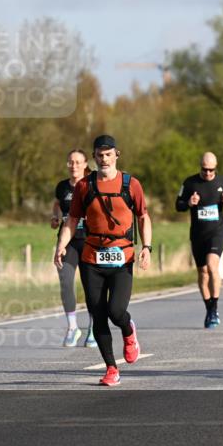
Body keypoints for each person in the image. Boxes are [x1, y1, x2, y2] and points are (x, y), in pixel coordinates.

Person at [55, 135, 151, 387]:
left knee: (116, 311)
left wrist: (146, 247)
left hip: (122, 258)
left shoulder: (131, 184)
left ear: (116, 155)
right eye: (99, 155)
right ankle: (111, 368)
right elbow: (72, 219)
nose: (104, 159)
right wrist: (61, 245)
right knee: (98, 315)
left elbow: (143, 216)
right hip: (92, 259)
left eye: (108, 154)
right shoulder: (84, 186)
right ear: (94, 158)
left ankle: (128, 330)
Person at [175, 152, 223, 328]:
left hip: (217, 232)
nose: (208, 173)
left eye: (211, 170)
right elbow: (178, 204)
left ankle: (214, 307)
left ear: (215, 168)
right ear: (200, 167)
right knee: (202, 272)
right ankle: (209, 309)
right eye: (204, 169)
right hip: (198, 234)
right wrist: (189, 203)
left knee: (211, 266)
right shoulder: (190, 183)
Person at [52, 150, 96, 347]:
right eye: (71, 162)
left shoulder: (91, 184)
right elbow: (57, 204)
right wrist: (55, 217)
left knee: (91, 286)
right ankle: (72, 328)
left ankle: (94, 328)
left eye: (78, 162)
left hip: (89, 240)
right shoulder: (62, 186)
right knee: (65, 281)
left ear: (85, 164)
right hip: (67, 241)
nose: (74, 166)